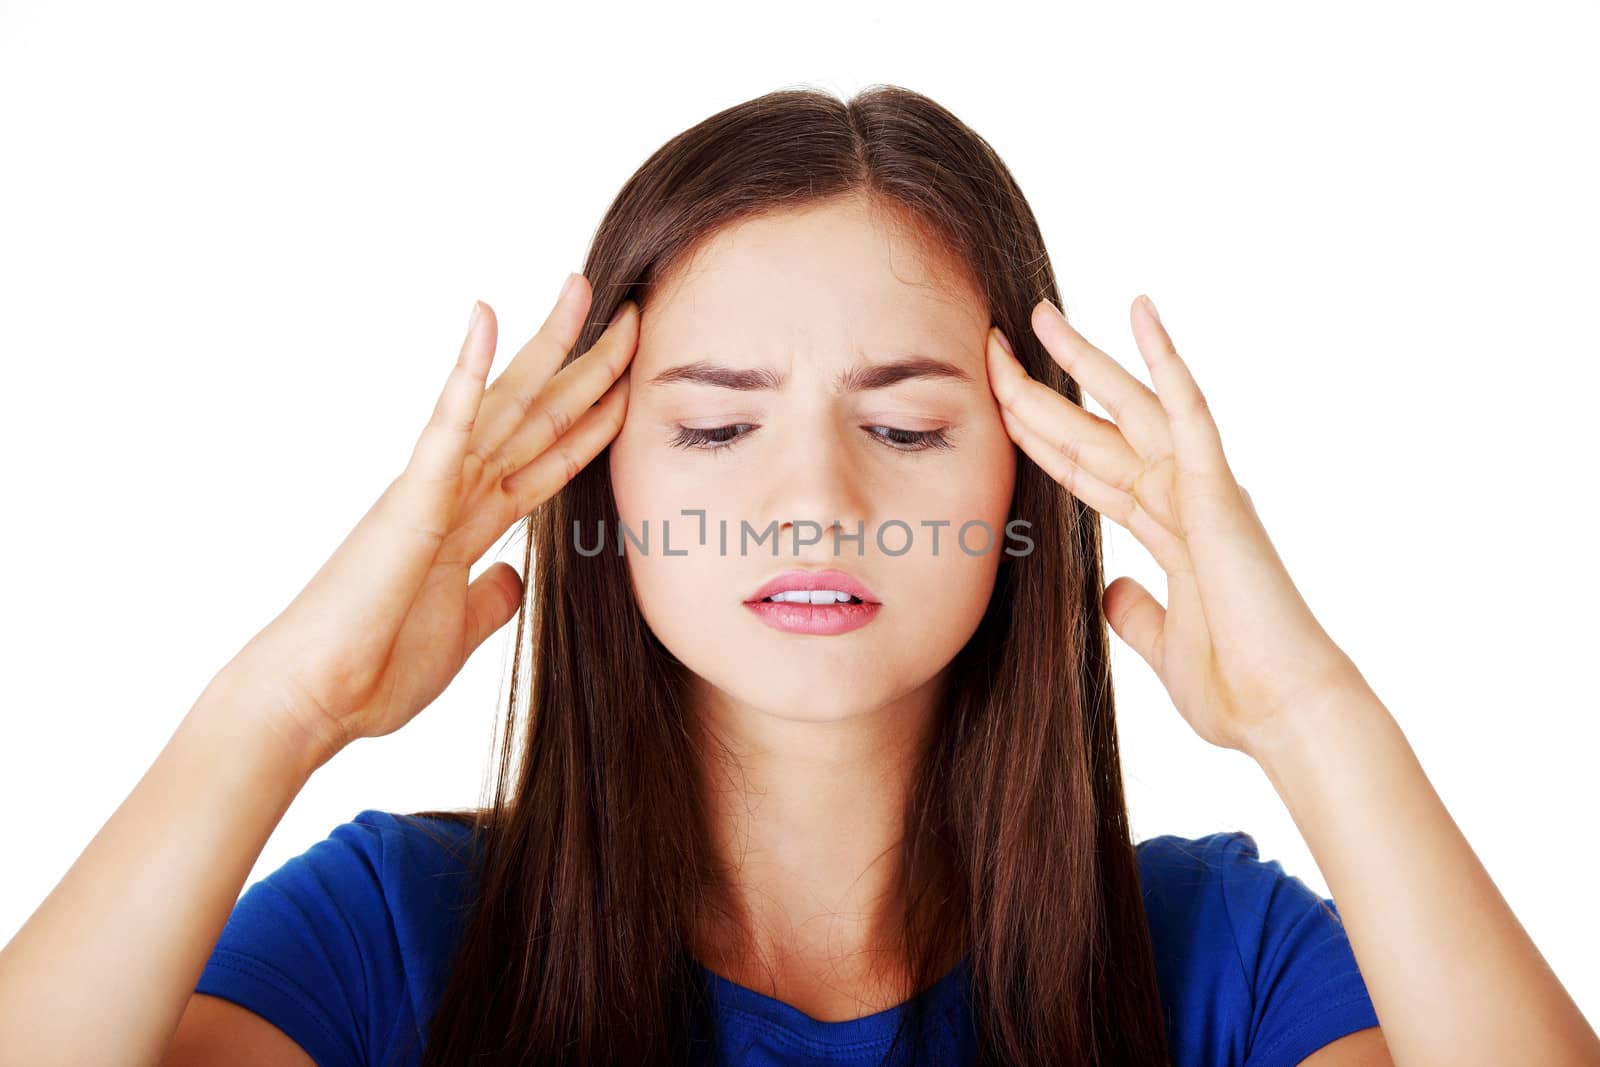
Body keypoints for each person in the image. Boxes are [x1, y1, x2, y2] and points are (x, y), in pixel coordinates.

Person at [1, 85, 1594, 1067]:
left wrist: (1314, 714)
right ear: (597, 481)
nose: (814, 504)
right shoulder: (401, 930)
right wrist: (280, 703)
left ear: (1031, 471)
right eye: (712, 427)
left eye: (904, 424)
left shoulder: (1217, 957)